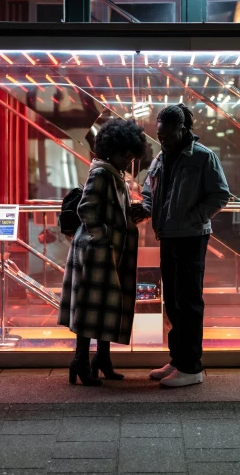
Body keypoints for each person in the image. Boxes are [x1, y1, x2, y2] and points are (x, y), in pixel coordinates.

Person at [131, 104, 230, 388]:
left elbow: (220, 194)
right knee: (173, 302)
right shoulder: (162, 157)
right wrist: (145, 208)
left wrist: (193, 217)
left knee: (188, 303)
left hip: (191, 237)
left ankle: (191, 367)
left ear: (182, 130)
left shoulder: (203, 157)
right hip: (169, 236)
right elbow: (150, 191)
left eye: (167, 135)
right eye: (159, 135)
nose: (162, 140)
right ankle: (178, 360)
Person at [58, 119, 147, 386]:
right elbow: (86, 208)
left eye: (130, 155)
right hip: (98, 252)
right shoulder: (102, 172)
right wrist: (103, 237)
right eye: (124, 154)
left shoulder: (111, 172)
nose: (128, 159)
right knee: (92, 308)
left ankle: (101, 359)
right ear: (111, 150)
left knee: (104, 306)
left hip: (105, 252)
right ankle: (81, 361)